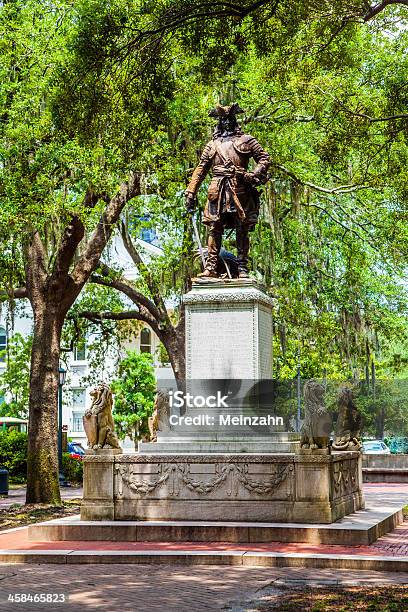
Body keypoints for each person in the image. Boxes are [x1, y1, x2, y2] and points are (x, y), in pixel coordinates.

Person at [185, 103, 270, 278]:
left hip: (239, 189)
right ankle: (211, 267)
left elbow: (264, 158)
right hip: (217, 189)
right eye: (222, 119)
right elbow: (200, 170)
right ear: (218, 122)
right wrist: (191, 191)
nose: (226, 123)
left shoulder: (247, 140)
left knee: (241, 227)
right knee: (215, 227)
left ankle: (242, 267)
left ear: (234, 120)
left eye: (229, 119)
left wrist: (252, 174)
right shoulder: (212, 145)